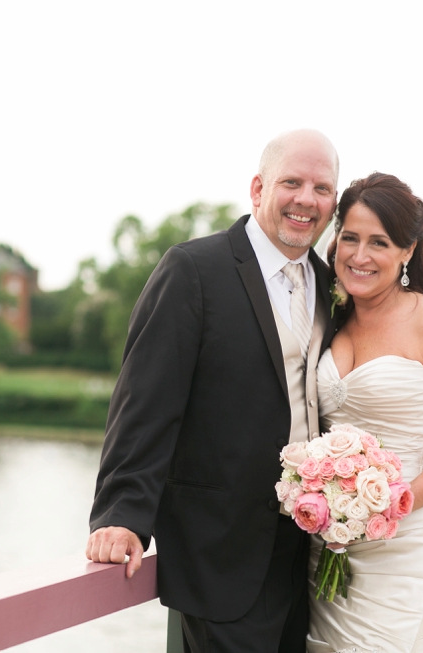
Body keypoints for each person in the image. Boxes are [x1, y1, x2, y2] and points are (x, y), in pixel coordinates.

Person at [87, 129, 340, 653]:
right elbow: (145, 403)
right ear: (257, 188)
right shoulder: (194, 270)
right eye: (291, 182)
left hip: (308, 554)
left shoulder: (328, 284)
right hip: (219, 551)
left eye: (322, 188)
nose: (306, 199)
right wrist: (121, 517)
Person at [307, 172, 423, 653]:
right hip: (331, 538)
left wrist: (390, 504)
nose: (359, 256)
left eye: (379, 243)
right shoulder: (330, 317)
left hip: (404, 541)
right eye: (350, 237)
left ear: (407, 251)